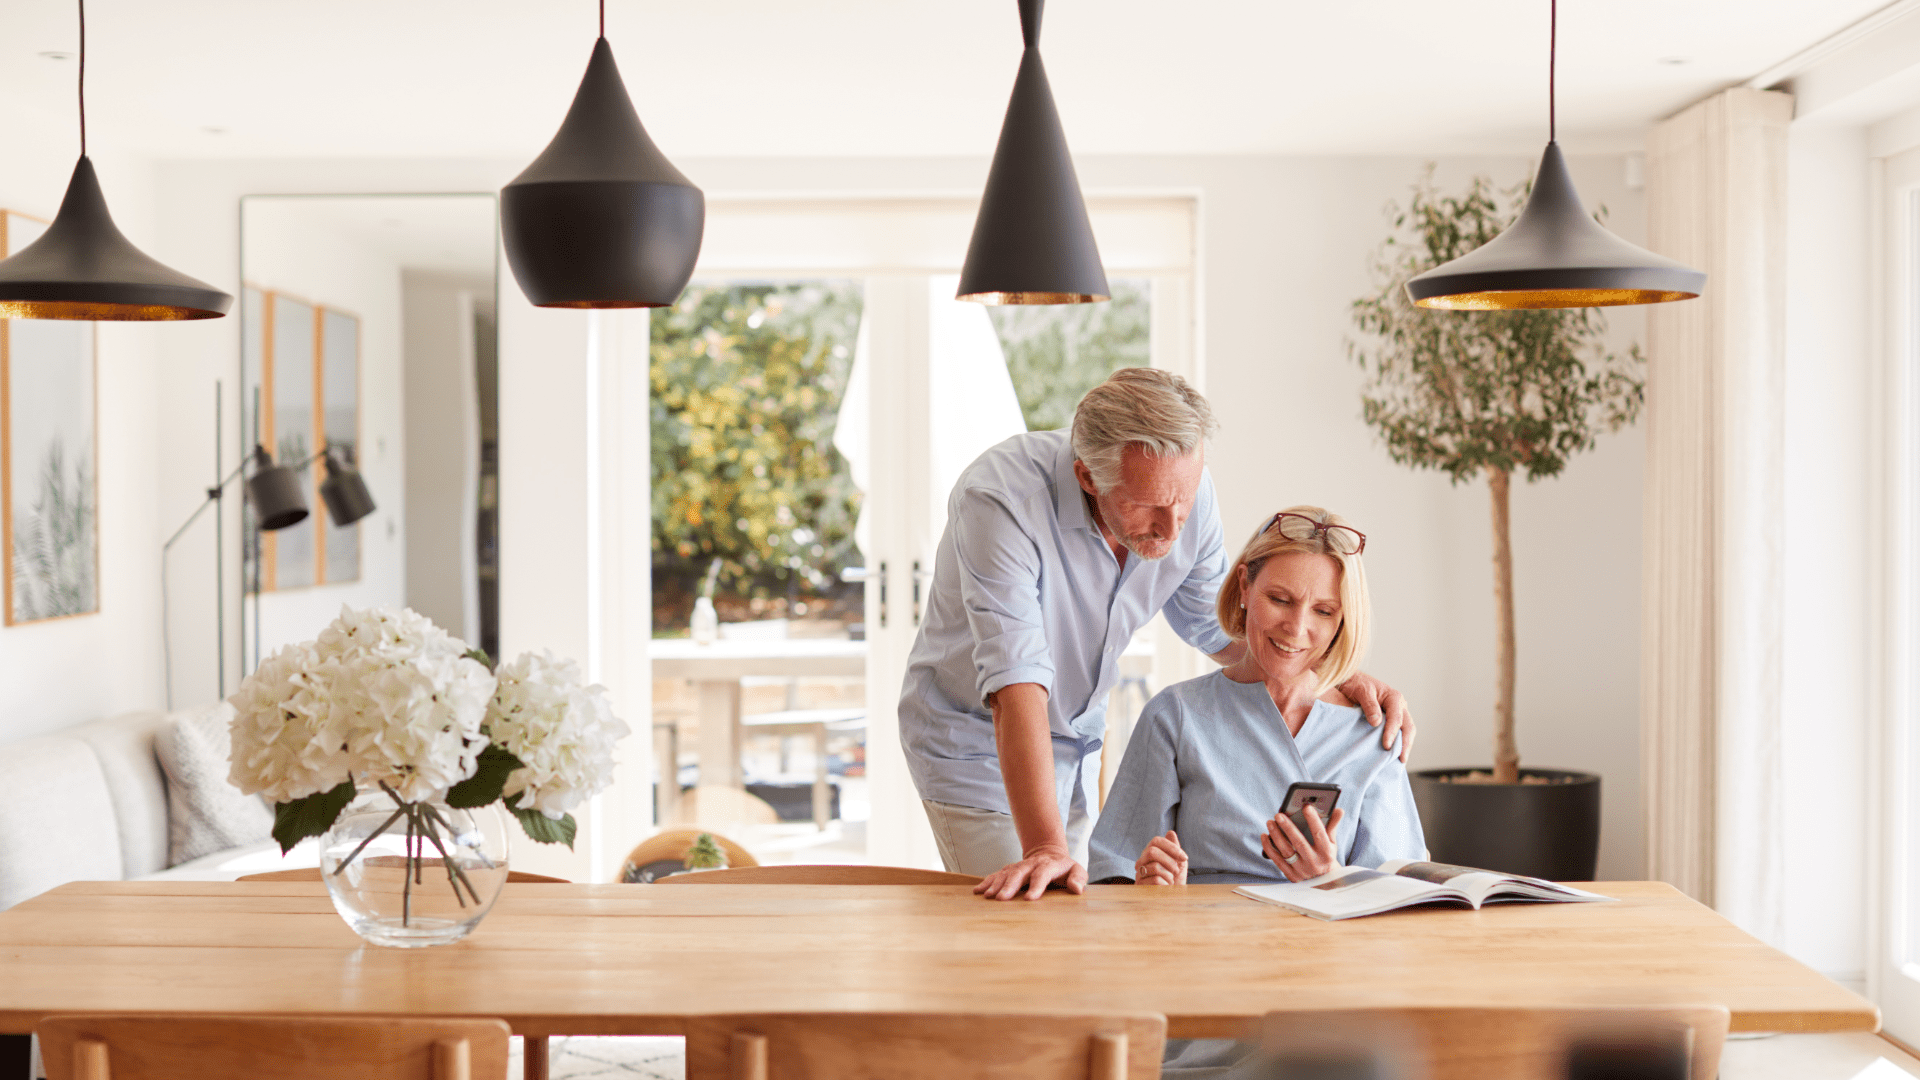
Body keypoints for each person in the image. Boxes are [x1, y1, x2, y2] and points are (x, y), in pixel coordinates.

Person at [897, 368, 1415, 901]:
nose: (1172, 530)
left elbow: (1218, 624)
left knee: (1066, 925)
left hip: (1073, 744)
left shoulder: (1180, 489)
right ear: (1088, 478)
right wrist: (1046, 848)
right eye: (1148, 506)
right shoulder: (1001, 501)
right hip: (978, 744)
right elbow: (1015, 682)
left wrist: (1330, 675)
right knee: (1027, 918)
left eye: (1183, 502)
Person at [1087, 505, 1425, 889]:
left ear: (1343, 620)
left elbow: (1401, 898)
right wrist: (1151, 887)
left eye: (1323, 611)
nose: (1297, 628)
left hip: (1326, 945)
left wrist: (1330, 881)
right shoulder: (1177, 715)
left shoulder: (1372, 732)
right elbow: (1114, 870)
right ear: (1245, 586)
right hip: (1200, 940)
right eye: (1280, 599)